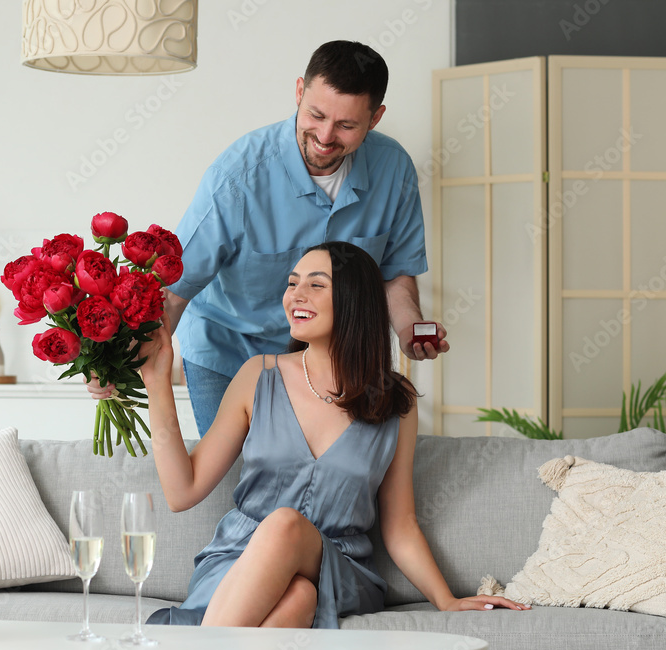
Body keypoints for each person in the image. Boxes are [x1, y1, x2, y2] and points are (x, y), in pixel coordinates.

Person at [139, 242, 527, 628]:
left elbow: (400, 524)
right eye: (292, 284)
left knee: (286, 526)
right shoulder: (259, 375)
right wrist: (157, 384)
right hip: (240, 561)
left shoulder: (396, 403)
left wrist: (446, 600)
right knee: (299, 596)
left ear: (355, 300)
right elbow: (181, 491)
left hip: (339, 569)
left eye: (316, 285)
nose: (296, 295)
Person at [89, 40, 448, 437]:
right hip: (228, 353)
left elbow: (395, 274)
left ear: (376, 118)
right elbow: (175, 292)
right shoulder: (237, 177)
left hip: (331, 359)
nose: (326, 136)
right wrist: (118, 367)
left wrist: (408, 328)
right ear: (299, 92)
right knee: (239, 479)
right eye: (315, 114)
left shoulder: (393, 169)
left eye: (347, 125)